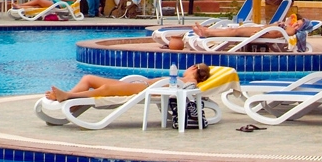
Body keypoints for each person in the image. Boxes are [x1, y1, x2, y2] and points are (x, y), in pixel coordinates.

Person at [45, 63, 210, 102]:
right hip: (139, 85)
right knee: (88, 78)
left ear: (194, 68)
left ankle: (68, 96)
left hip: (142, 89)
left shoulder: (190, 80)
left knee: (106, 88)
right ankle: (67, 98)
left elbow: (191, 90)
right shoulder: (186, 79)